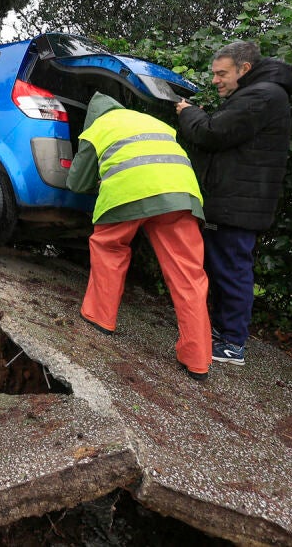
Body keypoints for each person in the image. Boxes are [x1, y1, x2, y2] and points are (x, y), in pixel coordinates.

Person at [68, 92, 211, 380]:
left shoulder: (97, 129)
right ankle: (198, 361)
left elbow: (76, 183)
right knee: (189, 275)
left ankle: (100, 318)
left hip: (128, 194)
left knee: (109, 249)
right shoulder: (155, 122)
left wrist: (100, 177)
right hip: (181, 196)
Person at [176, 41, 292, 366]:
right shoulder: (261, 94)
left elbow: (213, 134)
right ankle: (223, 334)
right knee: (225, 269)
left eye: (221, 73)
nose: (215, 80)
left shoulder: (261, 96)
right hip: (236, 201)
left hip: (238, 204)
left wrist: (189, 114)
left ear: (244, 69)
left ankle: (231, 344)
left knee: (231, 271)